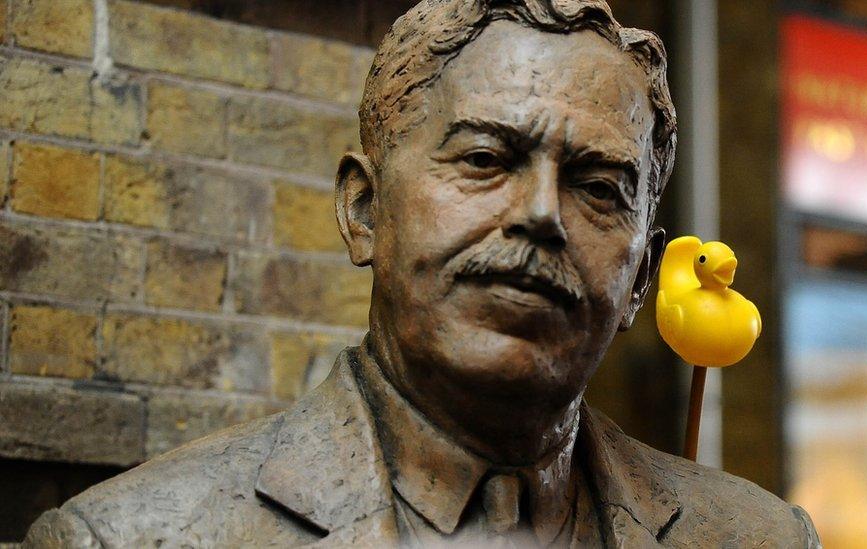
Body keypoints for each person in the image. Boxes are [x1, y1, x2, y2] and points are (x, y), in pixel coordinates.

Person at [23, 1, 820, 547]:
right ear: (364, 210)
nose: (542, 213)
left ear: (641, 279)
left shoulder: (760, 536)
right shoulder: (135, 536)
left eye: (597, 186)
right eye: (484, 158)